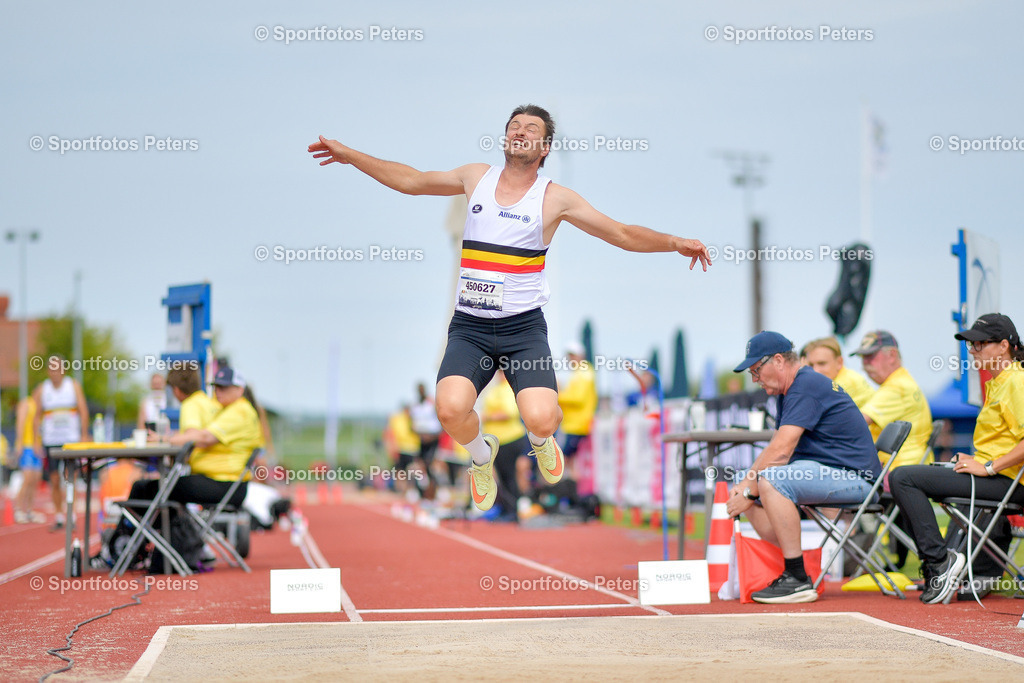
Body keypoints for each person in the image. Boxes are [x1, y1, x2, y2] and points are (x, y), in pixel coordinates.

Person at [309, 105, 711, 511]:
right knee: (449, 408)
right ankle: (481, 456)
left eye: (530, 129)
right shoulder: (475, 178)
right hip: (470, 327)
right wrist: (350, 155)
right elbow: (412, 181)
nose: (520, 132)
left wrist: (673, 242)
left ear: (545, 147)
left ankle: (541, 439)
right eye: (514, 126)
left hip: (522, 331)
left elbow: (620, 233)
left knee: (541, 417)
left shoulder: (555, 199)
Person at [725, 331, 882, 604]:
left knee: (769, 480)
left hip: (857, 479)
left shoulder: (805, 385)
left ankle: (797, 577)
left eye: (756, 370)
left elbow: (781, 451)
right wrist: (746, 484)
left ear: (778, 360)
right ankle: (797, 564)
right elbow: (778, 448)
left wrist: (749, 490)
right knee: (745, 478)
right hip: (831, 471)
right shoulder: (791, 389)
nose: (754, 379)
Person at [890, 313, 1024, 604]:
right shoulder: (999, 382)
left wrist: (988, 467)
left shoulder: (1016, 380)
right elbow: (1006, 441)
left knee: (903, 477)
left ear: (1004, 346)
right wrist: (976, 458)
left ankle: (940, 563)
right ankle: (943, 565)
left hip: (1010, 483)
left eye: (979, 344)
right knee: (909, 477)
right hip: (1001, 477)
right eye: (970, 345)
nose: (972, 350)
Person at [127, 366, 261, 508]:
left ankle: (131, 523)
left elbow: (204, 437)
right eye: (216, 387)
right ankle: (172, 522)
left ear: (240, 389)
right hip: (223, 482)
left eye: (224, 387)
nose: (218, 391)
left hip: (224, 483)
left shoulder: (239, 411)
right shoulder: (227, 409)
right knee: (159, 488)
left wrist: (163, 439)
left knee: (144, 488)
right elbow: (200, 435)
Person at [850, 331, 933, 469]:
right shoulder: (903, 381)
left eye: (870, 356)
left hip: (897, 469)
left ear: (892, 355)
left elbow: (854, 423)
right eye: (863, 357)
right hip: (909, 467)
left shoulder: (897, 387)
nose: (865, 364)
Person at [32, 354, 89, 530]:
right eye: (51, 368)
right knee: (54, 480)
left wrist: (84, 435)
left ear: (63, 369)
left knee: (71, 478)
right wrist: (35, 440)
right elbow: (36, 416)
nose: (54, 372)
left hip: (70, 440)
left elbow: (83, 410)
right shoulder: (43, 389)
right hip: (51, 440)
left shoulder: (73, 386)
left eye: (57, 368)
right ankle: (58, 516)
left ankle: (72, 515)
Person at [479, 369, 530, 520]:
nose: (500, 375)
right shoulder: (496, 389)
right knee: (503, 476)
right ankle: (508, 509)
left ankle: (513, 511)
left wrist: (487, 417)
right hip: (498, 440)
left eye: (503, 372)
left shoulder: (508, 389)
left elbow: (509, 412)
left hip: (510, 438)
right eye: (499, 372)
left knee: (510, 476)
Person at [556, 342, 598, 479]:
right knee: (570, 461)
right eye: (569, 356)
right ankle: (574, 488)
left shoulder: (584, 372)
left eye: (573, 355)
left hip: (578, 425)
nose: (570, 359)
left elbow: (578, 398)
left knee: (566, 459)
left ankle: (574, 488)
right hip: (574, 424)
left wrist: (558, 396)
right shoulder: (580, 373)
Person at [800, 336, 875, 408]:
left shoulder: (844, 384)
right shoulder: (841, 377)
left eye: (822, 363)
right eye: (811, 365)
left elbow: (809, 409)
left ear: (839, 362)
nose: (815, 370)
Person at [13, 395, 46, 523]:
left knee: (35, 479)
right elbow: (20, 423)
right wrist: (19, 443)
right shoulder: (27, 404)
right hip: (26, 446)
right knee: (27, 479)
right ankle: (18, 509)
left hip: (37, 448)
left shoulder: (41, 408)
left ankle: (29, 510)